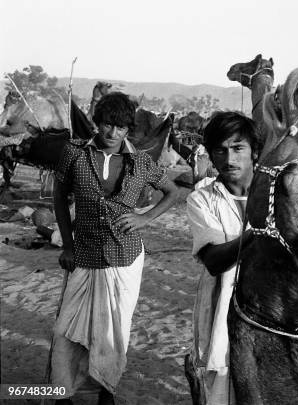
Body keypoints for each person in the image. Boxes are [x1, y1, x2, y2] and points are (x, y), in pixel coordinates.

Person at [52, 92, 179, 405]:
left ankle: (106, 390)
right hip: (82, 253)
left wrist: (144, 218)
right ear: (97, 123)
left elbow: (173, 191)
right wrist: (67, 246)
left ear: (128, 129)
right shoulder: (74, 154)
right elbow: (58, 197)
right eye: (108, 124)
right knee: (65, 329)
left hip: (125, 258)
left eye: (121, 127)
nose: (113, 133)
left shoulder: (141, 162)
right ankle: (62, 392)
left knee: (115, 330)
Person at [185, 111, 262, 404]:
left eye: (238, 147)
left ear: (254, 151)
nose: (229, 158)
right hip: (223, 307)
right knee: (223, 386)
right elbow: (215, 261)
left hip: (272, 311)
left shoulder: (277, 194)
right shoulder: (201, 199)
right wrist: (256, 232)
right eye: (221, 149)